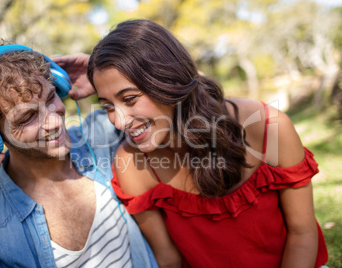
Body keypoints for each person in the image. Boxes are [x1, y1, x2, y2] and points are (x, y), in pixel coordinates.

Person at [56, 19, 329, 267]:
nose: (119, 121)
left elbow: (302, 234)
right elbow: (169, 259)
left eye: (129, 99)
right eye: (107, 106)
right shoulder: (133, 163)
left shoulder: (267, 126)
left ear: (167, 81)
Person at [0, 37, 158, 268]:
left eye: (51, 97)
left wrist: (111, 77)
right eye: (27, 117)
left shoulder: (103, 134)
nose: (54, 121)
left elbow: (190, 114)